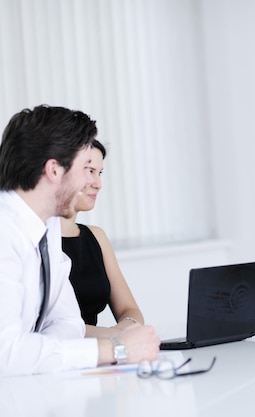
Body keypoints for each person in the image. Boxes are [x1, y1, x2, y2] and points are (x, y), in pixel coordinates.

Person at [0, 105, 159, 376]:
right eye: (86, 169)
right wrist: (115, 349)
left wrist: (37, 350)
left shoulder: (46, 229)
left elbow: (69, 321)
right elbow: (6, 354)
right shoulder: (5, 232)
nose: (92, 182)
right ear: (54, 170)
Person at [61, 140, 144, 338]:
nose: (98, 184)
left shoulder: (96, 236)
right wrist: (112, 336)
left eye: (100, 173)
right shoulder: (31, 239)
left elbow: (129, 310)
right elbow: (51, 329)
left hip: (100, 353)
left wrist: (123, 330)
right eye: (89, 171)